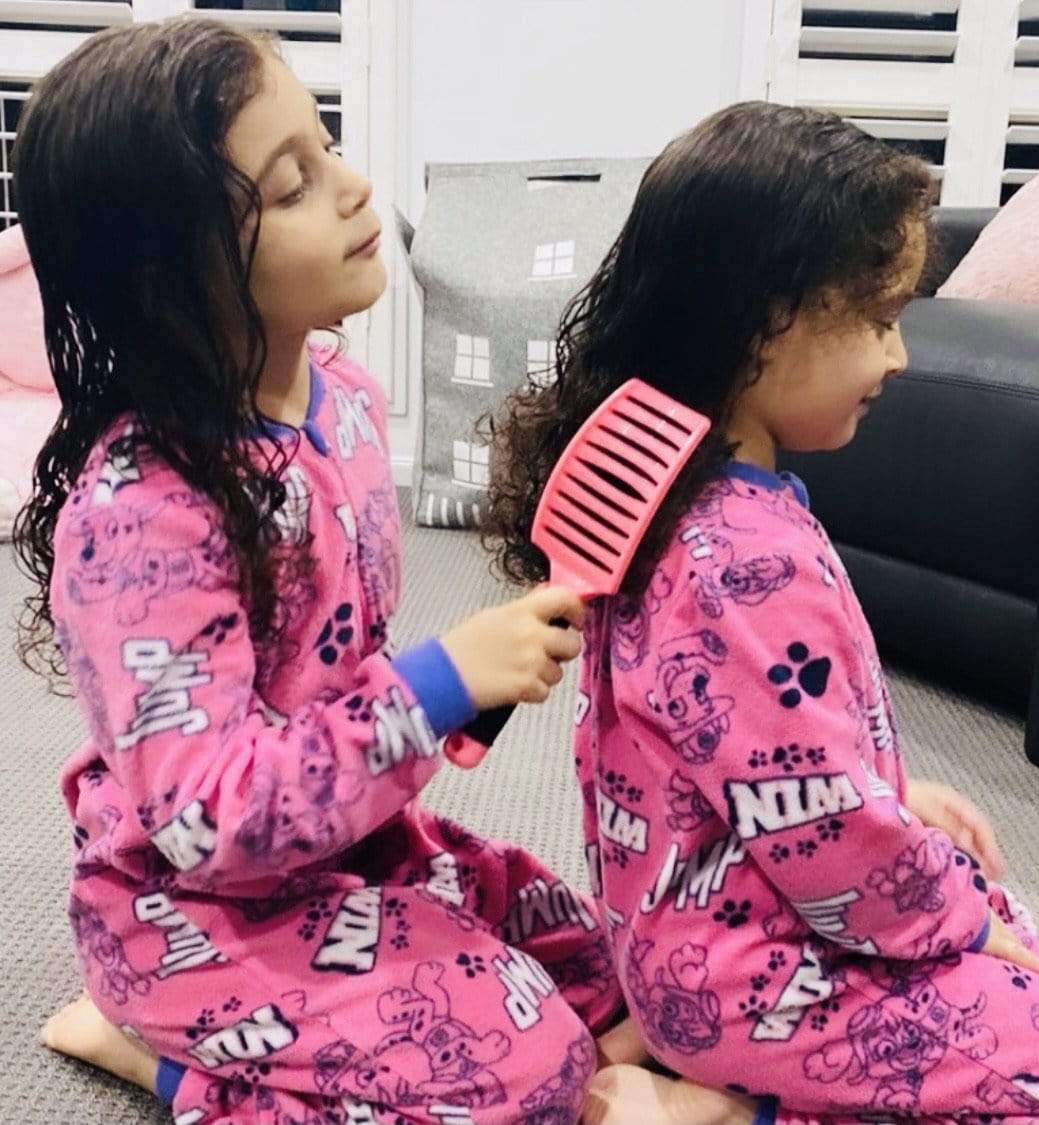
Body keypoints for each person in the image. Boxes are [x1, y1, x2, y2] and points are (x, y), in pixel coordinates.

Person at [15, 18, 635, 1123]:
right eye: (293, 184)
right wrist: (436, 686)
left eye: (329, 146)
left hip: (349, 844)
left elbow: (333, 662)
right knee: (534, 1070)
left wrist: (464, 686)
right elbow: (205, 818)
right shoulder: (142, 518)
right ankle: (161, 1061)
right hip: (192, 911)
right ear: (170, 273)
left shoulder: (345, 403)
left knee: (603, 963)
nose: (356, 189)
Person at [484, 101, 1039, 1124]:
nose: (899, 357)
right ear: (767, 322)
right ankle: (721, 1106)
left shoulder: (686, 508)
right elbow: (826, 832)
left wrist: (893, 794)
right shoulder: (744, 563)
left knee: (991, 910)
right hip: (751, 979)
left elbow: (758, 755)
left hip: (690, 938)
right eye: (878, 320)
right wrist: (953, 921)